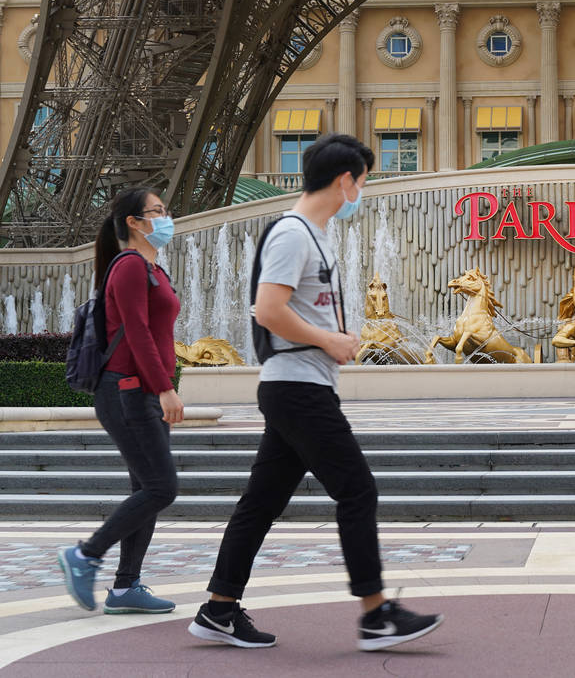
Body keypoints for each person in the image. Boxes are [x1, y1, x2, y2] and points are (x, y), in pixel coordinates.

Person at [188, 133, 443, 651]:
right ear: (346, 179)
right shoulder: (292, 234)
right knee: (357, 489)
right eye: (364, 180)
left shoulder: (317, 234)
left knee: (260, 503)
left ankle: (218, 608)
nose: (363, 191)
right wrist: (330, 339)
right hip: (298, 388)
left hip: (299, 387)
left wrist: (334, 339)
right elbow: (268, 309)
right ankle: (376, 616)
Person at [57, 187, 182, 615]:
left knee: (145, 487)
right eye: (157, 212)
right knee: (162, 487)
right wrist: (165, 386)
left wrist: (161, 384)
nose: (166, 218)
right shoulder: (129, 267)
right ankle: (86, 554)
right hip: (128, 390)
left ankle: (126, 586)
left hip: (140, 390)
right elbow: (138, 331)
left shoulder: (153, 269)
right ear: (134, 221)